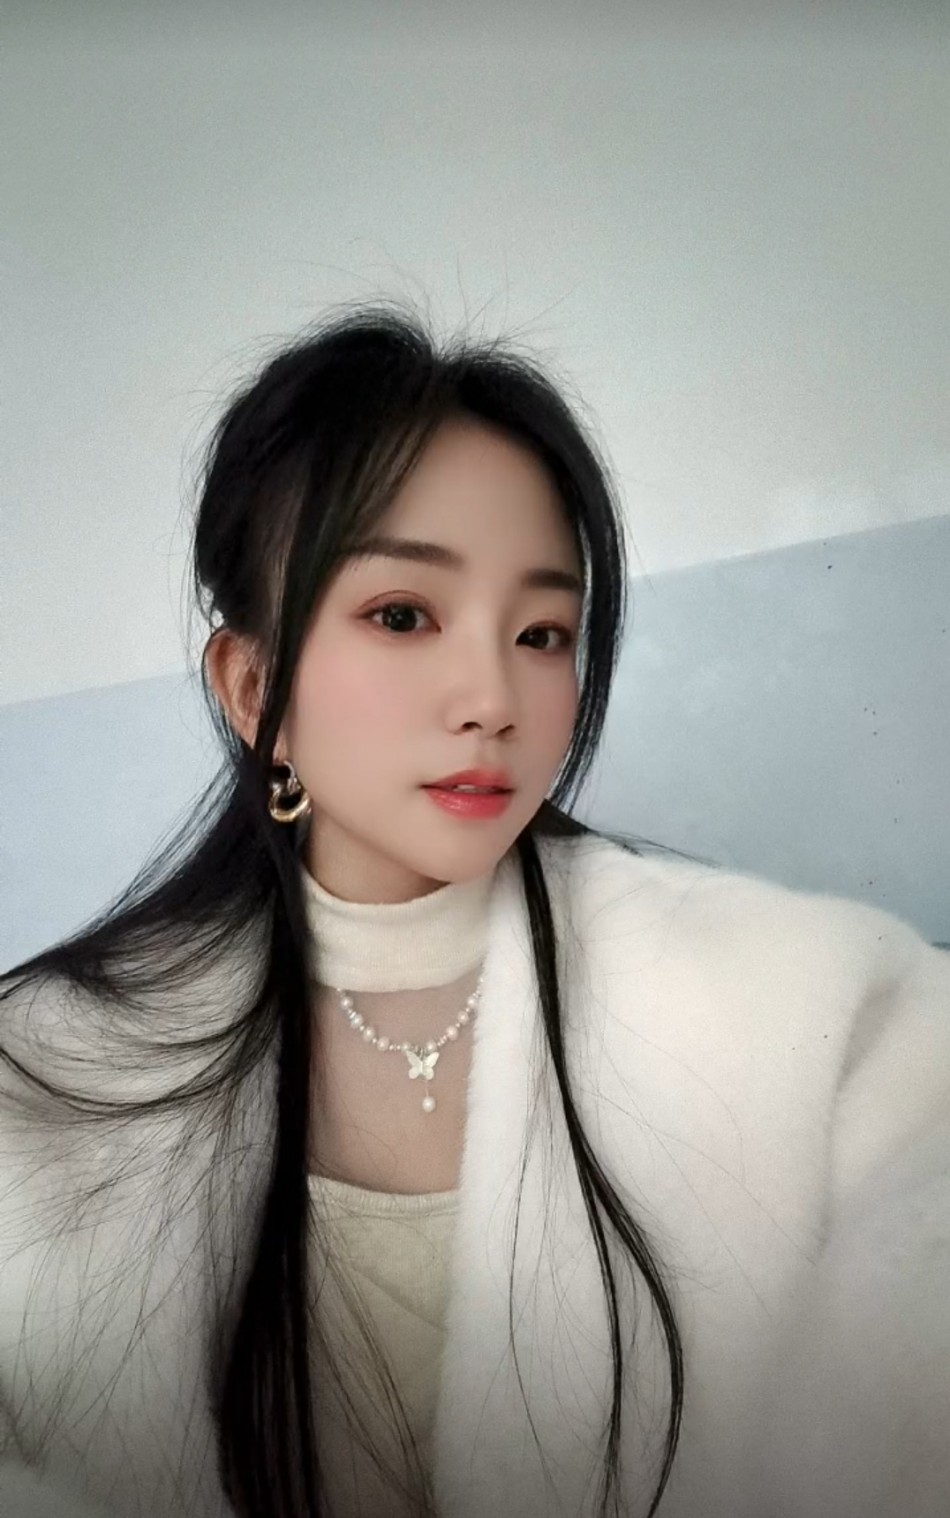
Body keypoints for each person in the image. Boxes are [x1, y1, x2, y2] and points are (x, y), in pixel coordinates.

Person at [1, 302, 948, 1518]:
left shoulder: (803, 1008)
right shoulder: (48, 1076)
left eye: (542, 632)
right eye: (403, 615)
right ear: (252, 687)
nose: (493, 696)